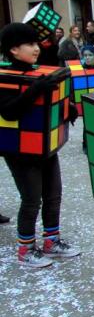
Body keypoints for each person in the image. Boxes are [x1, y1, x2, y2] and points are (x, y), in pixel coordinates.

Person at [0, 22, 80, 267]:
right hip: (19, 152)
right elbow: (9, 112)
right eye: (30, 44)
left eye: (37, 43)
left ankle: (51, 241)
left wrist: (67, 110)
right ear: (13, 49)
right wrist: (34, 90)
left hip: (45, 147)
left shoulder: (40, 72)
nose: (36, 48)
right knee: (31, 199)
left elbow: (49, 104)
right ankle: (25, 250)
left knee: (53, 195)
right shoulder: (5, 77)